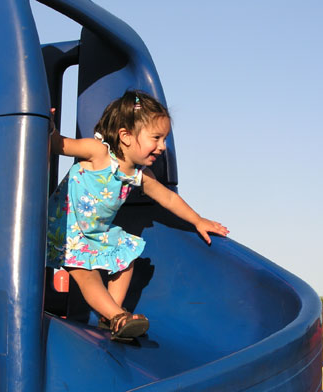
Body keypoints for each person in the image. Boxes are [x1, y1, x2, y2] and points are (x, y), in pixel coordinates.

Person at [47, 90, 229, 341]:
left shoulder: (139, 175)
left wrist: (198, 220)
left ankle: (110, 315)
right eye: (156, 138)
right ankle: (117, 315)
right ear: (126, 136)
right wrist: (48, 125)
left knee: (126, 255)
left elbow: (168, 198)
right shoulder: (97, 152)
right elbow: (58, 145)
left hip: (95, 233)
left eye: (164, 139)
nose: (162, 147)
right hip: (66, 229)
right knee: (88, 276)